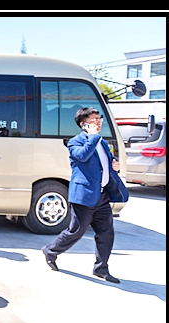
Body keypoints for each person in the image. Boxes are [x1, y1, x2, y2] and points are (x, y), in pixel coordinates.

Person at [42, 107, 122, 284]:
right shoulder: (75, 142)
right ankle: (51, 251)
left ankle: (101, 268)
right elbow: (83, 156)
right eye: (94, 120)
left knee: (106, 233)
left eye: (99, 118)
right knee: (76, 231)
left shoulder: (101, 142)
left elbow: (106, 163)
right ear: (83, 124)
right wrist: (92, 137)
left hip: (102, 196)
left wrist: (114, 165)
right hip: (84, 196)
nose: (99, 122)